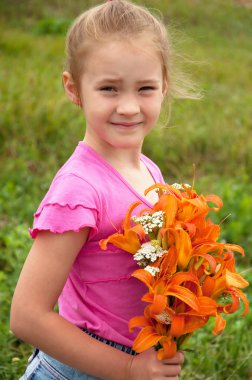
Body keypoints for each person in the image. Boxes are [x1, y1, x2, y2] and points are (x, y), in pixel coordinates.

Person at [10, 1, 191, 378]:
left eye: (145, 88)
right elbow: (26, 316)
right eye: (109, 88)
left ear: (164, 88)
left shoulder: (148, 170)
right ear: (74, 89)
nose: (128, 107)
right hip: (79, 368)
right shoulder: (79, 191)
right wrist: (127, 367)